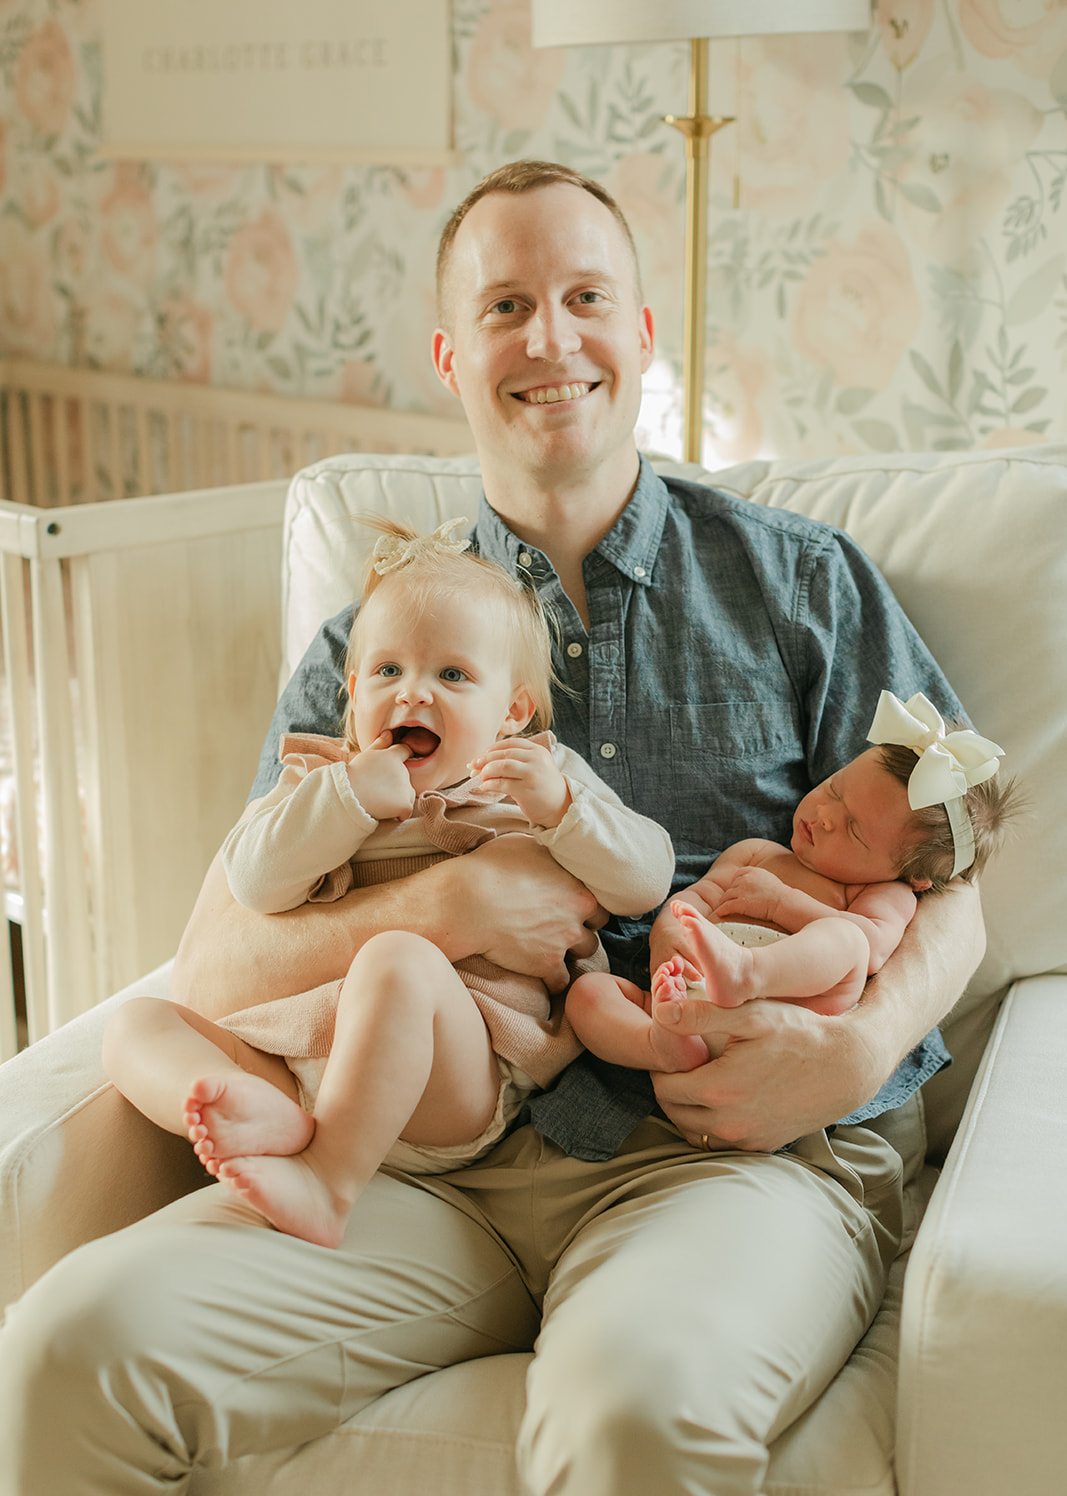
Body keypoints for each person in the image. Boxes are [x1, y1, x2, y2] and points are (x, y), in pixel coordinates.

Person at [0, 160, 987, 1496]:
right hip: (424, 1155)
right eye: (507, 304)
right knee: (67, 1348)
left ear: (642, 336)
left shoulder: (798, 581)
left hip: (725, 1164)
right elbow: (217, 961)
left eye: (585, 297)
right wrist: (447, 912)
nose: (550, 338)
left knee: (626, 1418)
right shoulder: (372, 644)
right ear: (448, 353)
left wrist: (857, 1038)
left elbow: (962, 873)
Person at [100, 516, 674, 1249]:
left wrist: (562, 813)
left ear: (513, 712)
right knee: (136, 1025)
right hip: (298, 1063)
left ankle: (328, 1183)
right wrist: (347, 797)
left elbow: (645, 880)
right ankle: (256, 1113)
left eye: (452, 675)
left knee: (397, 958)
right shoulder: (322, 779)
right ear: (351, 689)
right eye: (387, 671)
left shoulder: (537, 779)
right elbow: (252, 881)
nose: (412, 695)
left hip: (454, 1075)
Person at [568, 689, 1017, 1074]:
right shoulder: (756, 853)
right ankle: (661, 1048)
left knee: (848, 942)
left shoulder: (881, 893)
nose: (822, 817)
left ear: (914, 877)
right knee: (589, 994)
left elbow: (875, 948)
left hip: (782, 1021)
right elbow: (694, 900)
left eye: (854, 830)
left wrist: (782, 905)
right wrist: (670, 933)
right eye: (835, 789)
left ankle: (748, 972)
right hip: (685, 995)